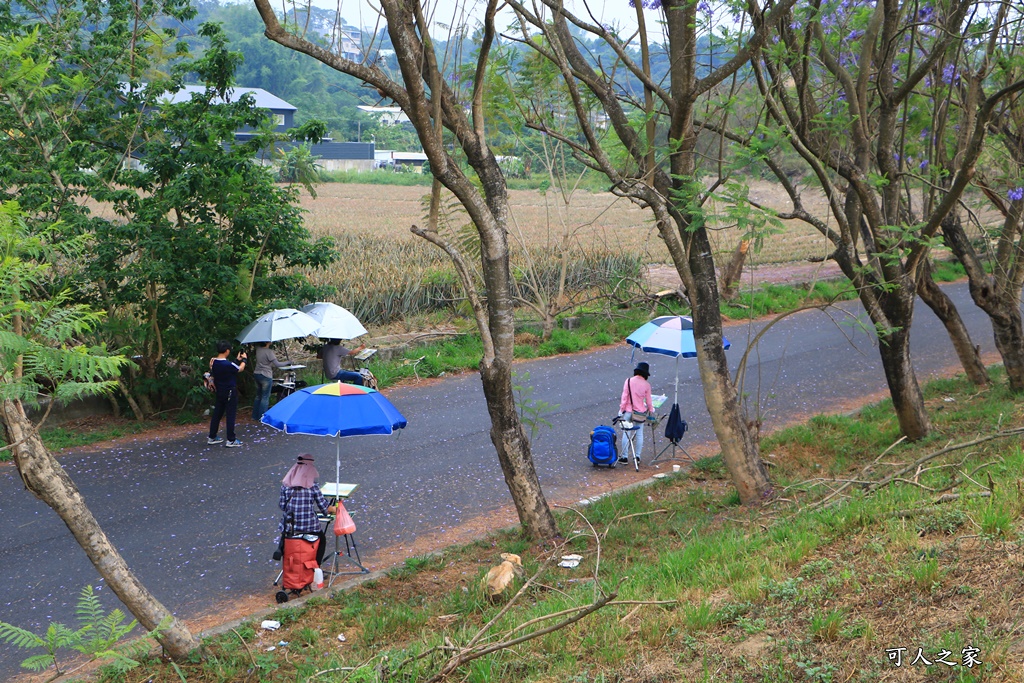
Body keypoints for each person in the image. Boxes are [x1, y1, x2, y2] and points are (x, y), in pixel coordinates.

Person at [278, 454, 335, 566]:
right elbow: (325, 508)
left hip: (290, 528)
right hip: (310, 527)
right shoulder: (313, 486)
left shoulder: (285, 486)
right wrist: (336, 508)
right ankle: (315, 568)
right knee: (321, 542)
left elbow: (282, 506)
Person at [208, 340, 246, 447]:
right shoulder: (227, 364)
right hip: (230, 391)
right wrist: (244, 360)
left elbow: (231, 366)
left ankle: (212, 436)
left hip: (220, 391)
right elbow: (240, 369)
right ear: (227, 351)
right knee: (230, 415)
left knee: (217, 413)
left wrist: (237, 360)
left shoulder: (214, 362)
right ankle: (231, 439)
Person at [618, 361, 653, 464]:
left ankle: (624, 457)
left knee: (626, 433)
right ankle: (637, 456)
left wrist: (621, 410)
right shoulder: (646, 385)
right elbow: (649, 401)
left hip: (629, 411)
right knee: (639, 434)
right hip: (640, 413)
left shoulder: (628, 381)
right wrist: (651, 411)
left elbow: (624, 397)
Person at [252, 341, 287, 421]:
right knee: (265, 397)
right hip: (265, 375)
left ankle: (255, 416)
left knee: (258, 396)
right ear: (267, 342)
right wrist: (288, 362)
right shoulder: (269, 351)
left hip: (257, 374)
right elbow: (277, 364)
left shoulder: (258, 349)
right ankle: (262, 417)